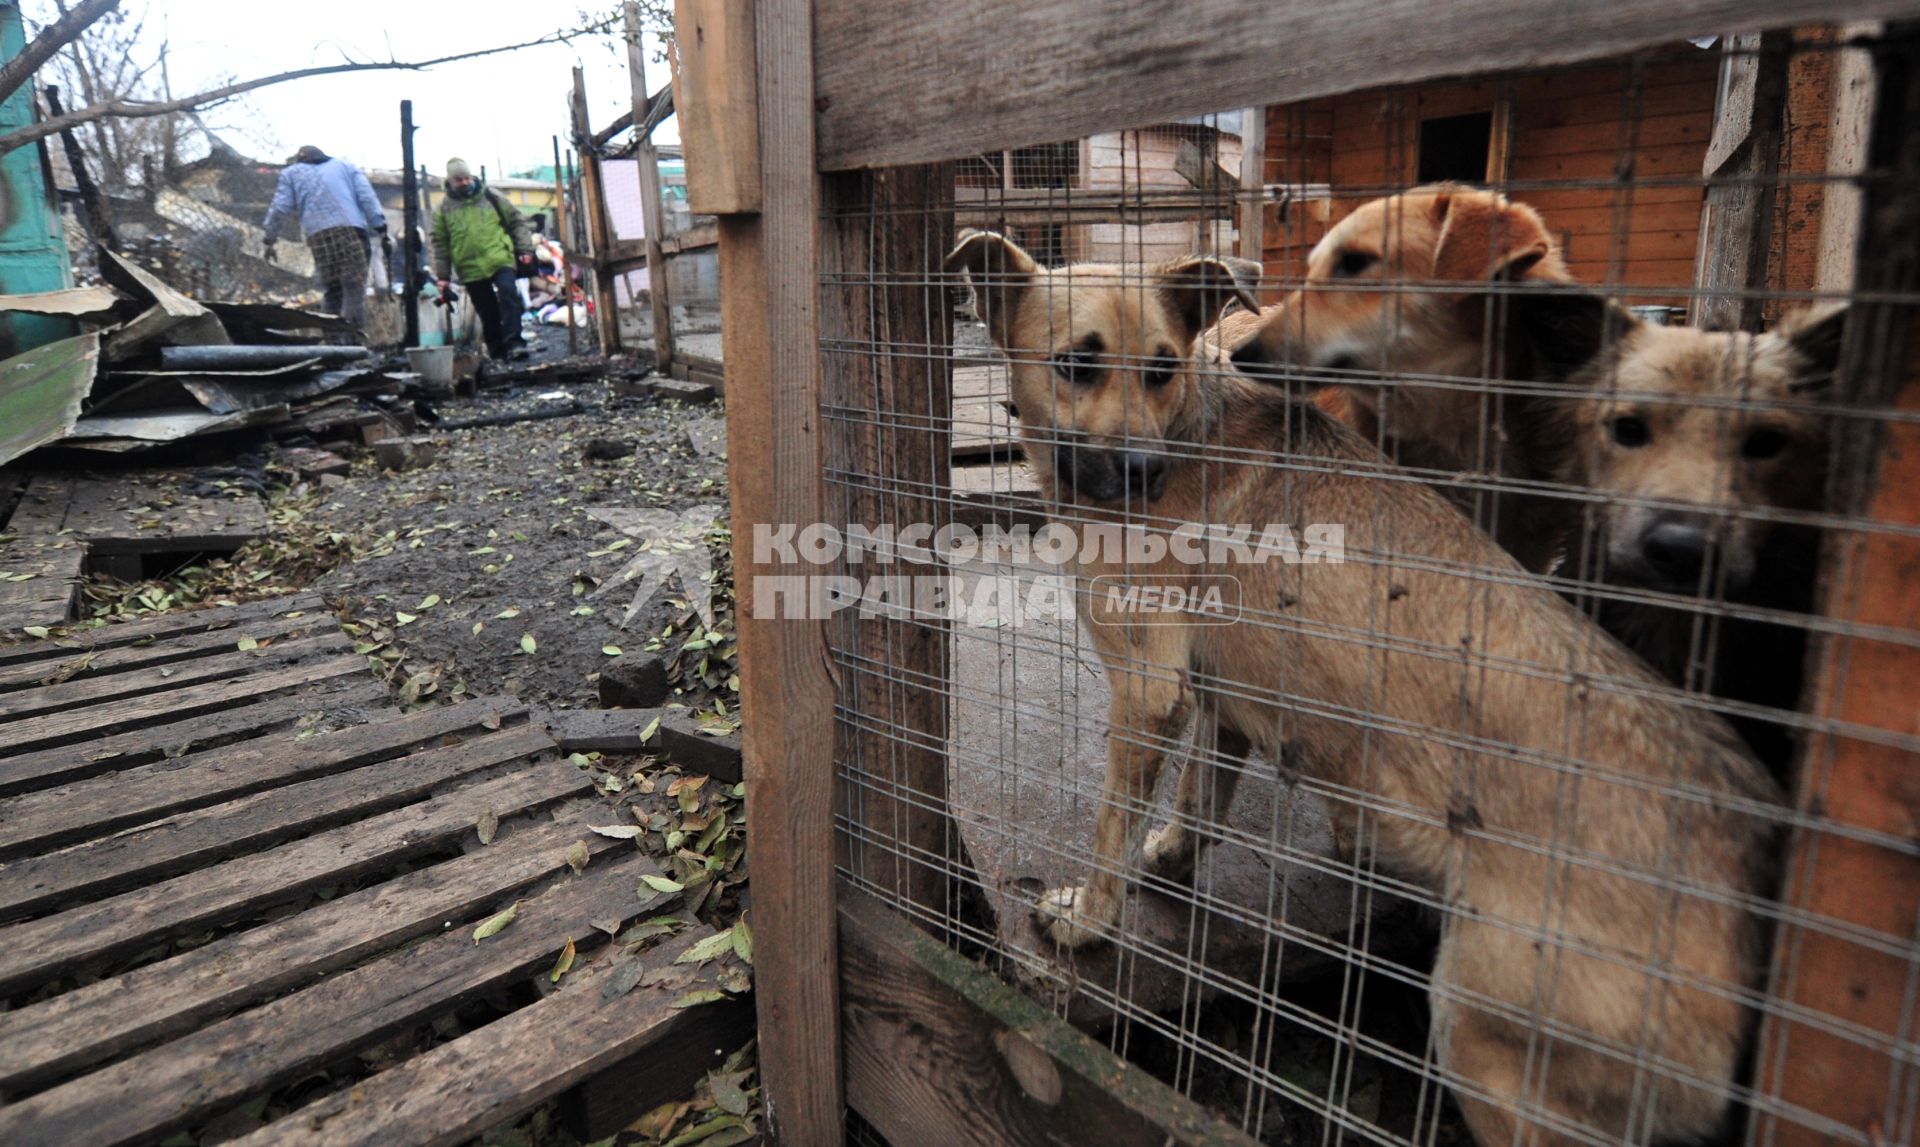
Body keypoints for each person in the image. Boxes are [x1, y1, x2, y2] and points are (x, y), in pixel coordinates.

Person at [261, 145, 389, 338]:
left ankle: (333, 342)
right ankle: (354, 339)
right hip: (352, 231)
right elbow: (366, 196)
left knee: (332, 289)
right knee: (353, 286)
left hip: (319, 236)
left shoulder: (291, 174)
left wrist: (270, 237)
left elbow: (280, 207)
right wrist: (380, 226)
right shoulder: (345, 166)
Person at [431, 157, 535, 361]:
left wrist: (525, 249)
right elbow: (440, 243)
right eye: (459, 180)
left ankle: (515, 343)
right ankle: (497, 350)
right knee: (486, 309)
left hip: (499, 258)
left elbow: (516, 222)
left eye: (467, 178)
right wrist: (442, 276)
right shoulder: (443, 209)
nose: (465, 183)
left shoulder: (491, 197)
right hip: (469, 266)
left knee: (508, 294)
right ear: (450, 182)